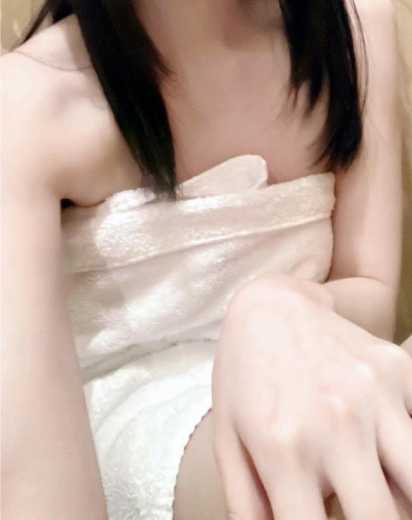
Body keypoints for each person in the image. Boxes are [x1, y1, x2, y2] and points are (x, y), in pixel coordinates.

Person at [2, 1, 411, 519]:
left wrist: (278, 309)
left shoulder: (357, 26)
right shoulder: (25, 105)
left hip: (321, 365)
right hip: (126, 428)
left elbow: (369, 286)